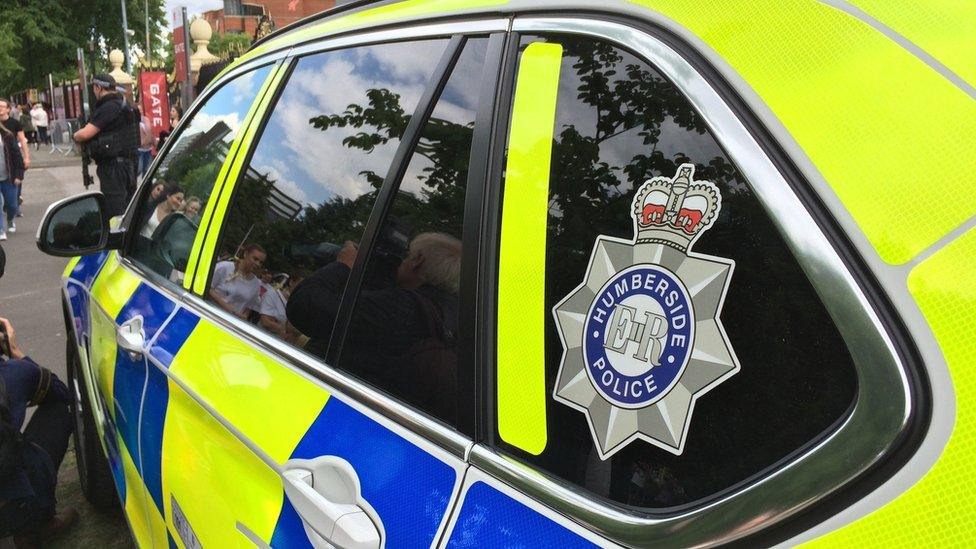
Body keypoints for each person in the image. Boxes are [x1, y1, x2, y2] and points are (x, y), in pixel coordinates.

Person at [287, 232, 461, 420]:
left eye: (407, 256)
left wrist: (344, 265)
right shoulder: (446, 321)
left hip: (315, 407)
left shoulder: (401, 309)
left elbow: (305, 307)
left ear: (417, 261)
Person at [0, 317, 78, 546]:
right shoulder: (15, 373)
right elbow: (62, 393)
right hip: (12, 511)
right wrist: (14, 351)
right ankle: (36, 526)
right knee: (59, 411)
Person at [72, 74, 139, 217]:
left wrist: (75, 136)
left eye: (94, 89)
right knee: (127, 208)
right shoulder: (123, 103)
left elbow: (86, 133)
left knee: (115, 211)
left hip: (114, 168)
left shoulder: (109, 106)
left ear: (98, 87)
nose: (94, 93)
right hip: (128, 164)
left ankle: (117, 238)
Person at [209, 243, 266, 319]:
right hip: (210, 314)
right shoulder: (224, 267)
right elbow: (207, 288)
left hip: (231, 323)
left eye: (260, 262)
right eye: (255, 259)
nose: (257, 264)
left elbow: (249, 308)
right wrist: (227, 307)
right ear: (246, 254)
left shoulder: (256, 284)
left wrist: (242, 317)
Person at [0, 122, 25, 240]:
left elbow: (17, 156)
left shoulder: (7, 136)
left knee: (12, 205)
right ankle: (0, 230)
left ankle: (10, 219)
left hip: (8, 177)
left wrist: (19, 175)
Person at [0, 99, 30, 170]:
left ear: (8, 109)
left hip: (12, 157)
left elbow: (22, 140)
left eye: (2, 106)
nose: (0, 108)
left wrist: (27, 157)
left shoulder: (15, 123)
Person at [137, 106, 155, 178]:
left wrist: (154, 141)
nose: (140, 111)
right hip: (140, 149)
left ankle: (145, 186)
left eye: (141, 109)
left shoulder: (146, 119)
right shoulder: (134, 120)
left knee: (147, 170)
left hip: (148, 148)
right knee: (139, 168)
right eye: (139, 110)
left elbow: (150, 132)